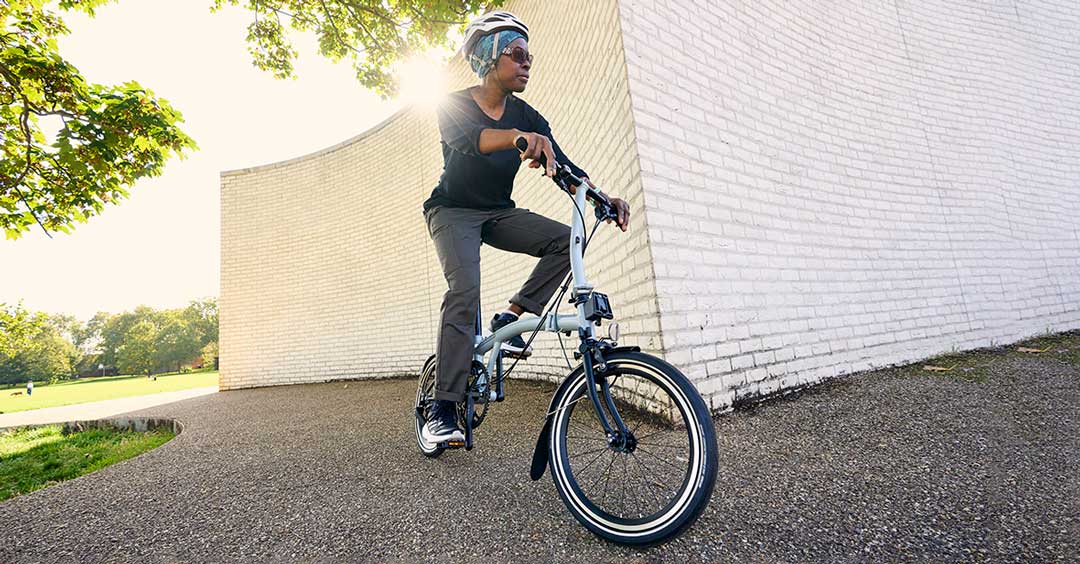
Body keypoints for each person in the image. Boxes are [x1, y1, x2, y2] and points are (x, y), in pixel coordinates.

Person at [421, 11, 631, 443]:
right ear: (489, 57)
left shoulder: (528, 116)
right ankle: (441, 407)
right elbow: (473, 141)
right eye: (517, 54)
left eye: (528, 55)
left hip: (498, 212)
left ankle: (512, 316)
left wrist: (602, 197)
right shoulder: (454, 105)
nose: (527, 63)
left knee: (561, 240)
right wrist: (517, 138)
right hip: (452, 211)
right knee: (464, 290)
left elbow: (566, 168)